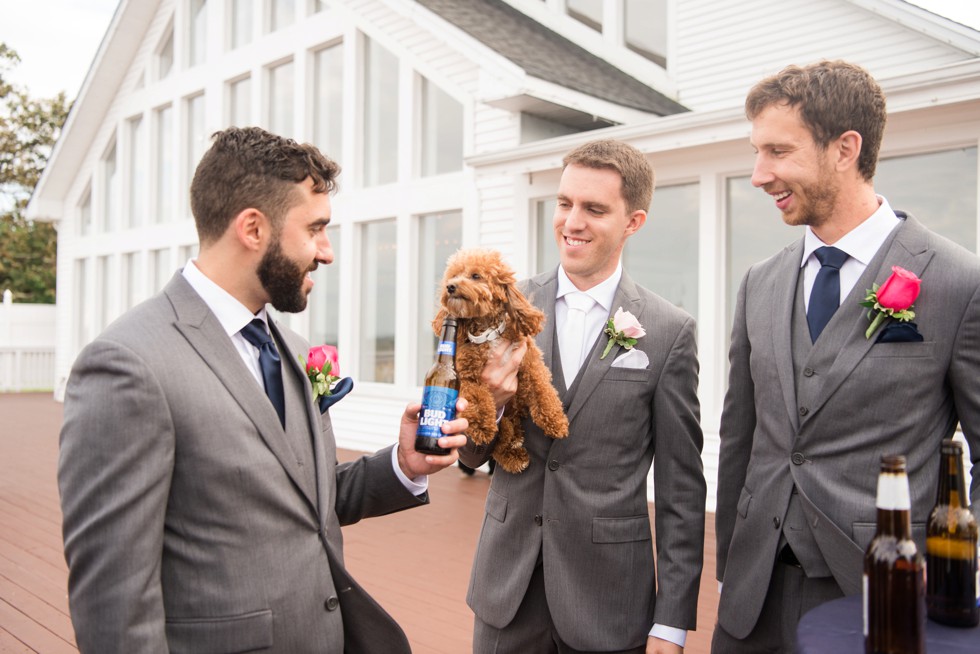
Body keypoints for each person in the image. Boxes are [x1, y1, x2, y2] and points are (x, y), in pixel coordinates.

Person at [57, 126, 469, 654]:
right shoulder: (127, 365)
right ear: (253, 228)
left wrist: (405, 466)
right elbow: (112, 605)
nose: (327, 252)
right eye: (316, 228)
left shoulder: (293, 348)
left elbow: (300, 500)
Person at [713, 60, 980, 652]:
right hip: (751, 600)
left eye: (778, 151)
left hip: (878, 595)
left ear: (845, 148)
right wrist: (731, 561)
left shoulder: (960, 282)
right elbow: (742, 436)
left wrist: (952, 578)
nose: (759, 174)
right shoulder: (760, 282)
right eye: (757, 152)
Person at [461, 139, 706, 654]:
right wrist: (492, 400)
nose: (572, 221)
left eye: (594, 209)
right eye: (565, 203)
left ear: (633, 222)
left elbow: (682, 489)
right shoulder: (500, 309)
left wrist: (672, 621)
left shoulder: (668, 331)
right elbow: (469, 453)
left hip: (610, 600)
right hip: (508, 592)